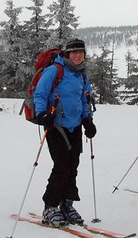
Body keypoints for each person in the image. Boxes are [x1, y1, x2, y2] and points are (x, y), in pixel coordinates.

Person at [32, 38, 96, 227]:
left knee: (73, 166)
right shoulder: (55, 70)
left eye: (81, 52)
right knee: (61, 166)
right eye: (74, 52)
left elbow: (85, 100)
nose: (78, 55)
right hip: (55, 125)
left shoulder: (83, 75)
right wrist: (42, 114)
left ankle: (67, 204)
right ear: (67, 54)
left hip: (75, 125)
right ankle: (50, 206)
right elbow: (40, 94)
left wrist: (88, 120)